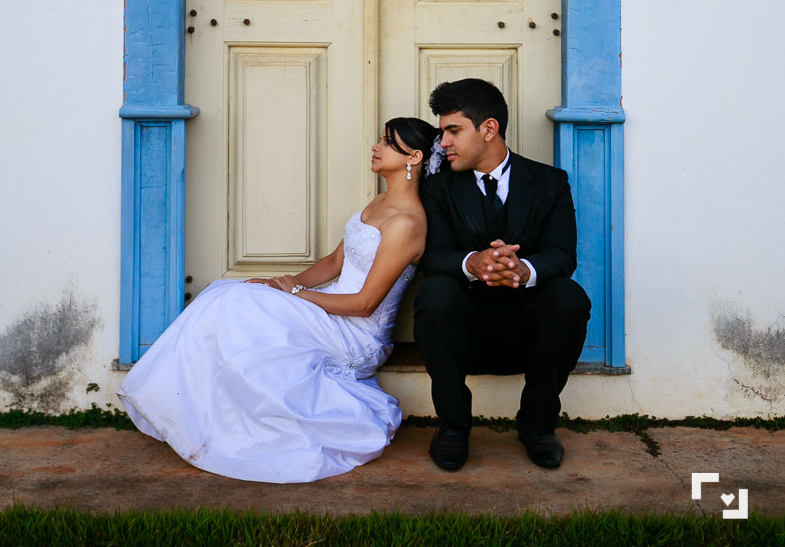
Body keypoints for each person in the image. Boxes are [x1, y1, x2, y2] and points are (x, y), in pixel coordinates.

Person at [119, 117, 435, 483]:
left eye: (388, 142)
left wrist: (298, 294)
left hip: (356, 331)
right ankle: (185, 409)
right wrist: (280, 284)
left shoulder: (407, 224)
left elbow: (364, 304)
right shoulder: (380, 202)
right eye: (380, 139)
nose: (375, 147)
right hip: (329, 304)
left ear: (414, 157)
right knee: (228, 293)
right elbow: (336, 261)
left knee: (234, 306)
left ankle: (207, 419)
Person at [414, 78, 590, 472]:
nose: (442, 143)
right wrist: (471, 263)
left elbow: (562, 255)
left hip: (526, 327)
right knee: (436, 291)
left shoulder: (550, 182)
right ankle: (453, 426)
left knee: (569, 296)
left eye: (452, 130)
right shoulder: (438, 187)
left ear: (488, 129)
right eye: (443, 132)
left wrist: (523, 269)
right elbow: (435, 256)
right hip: (465, 327)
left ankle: (538, 426)